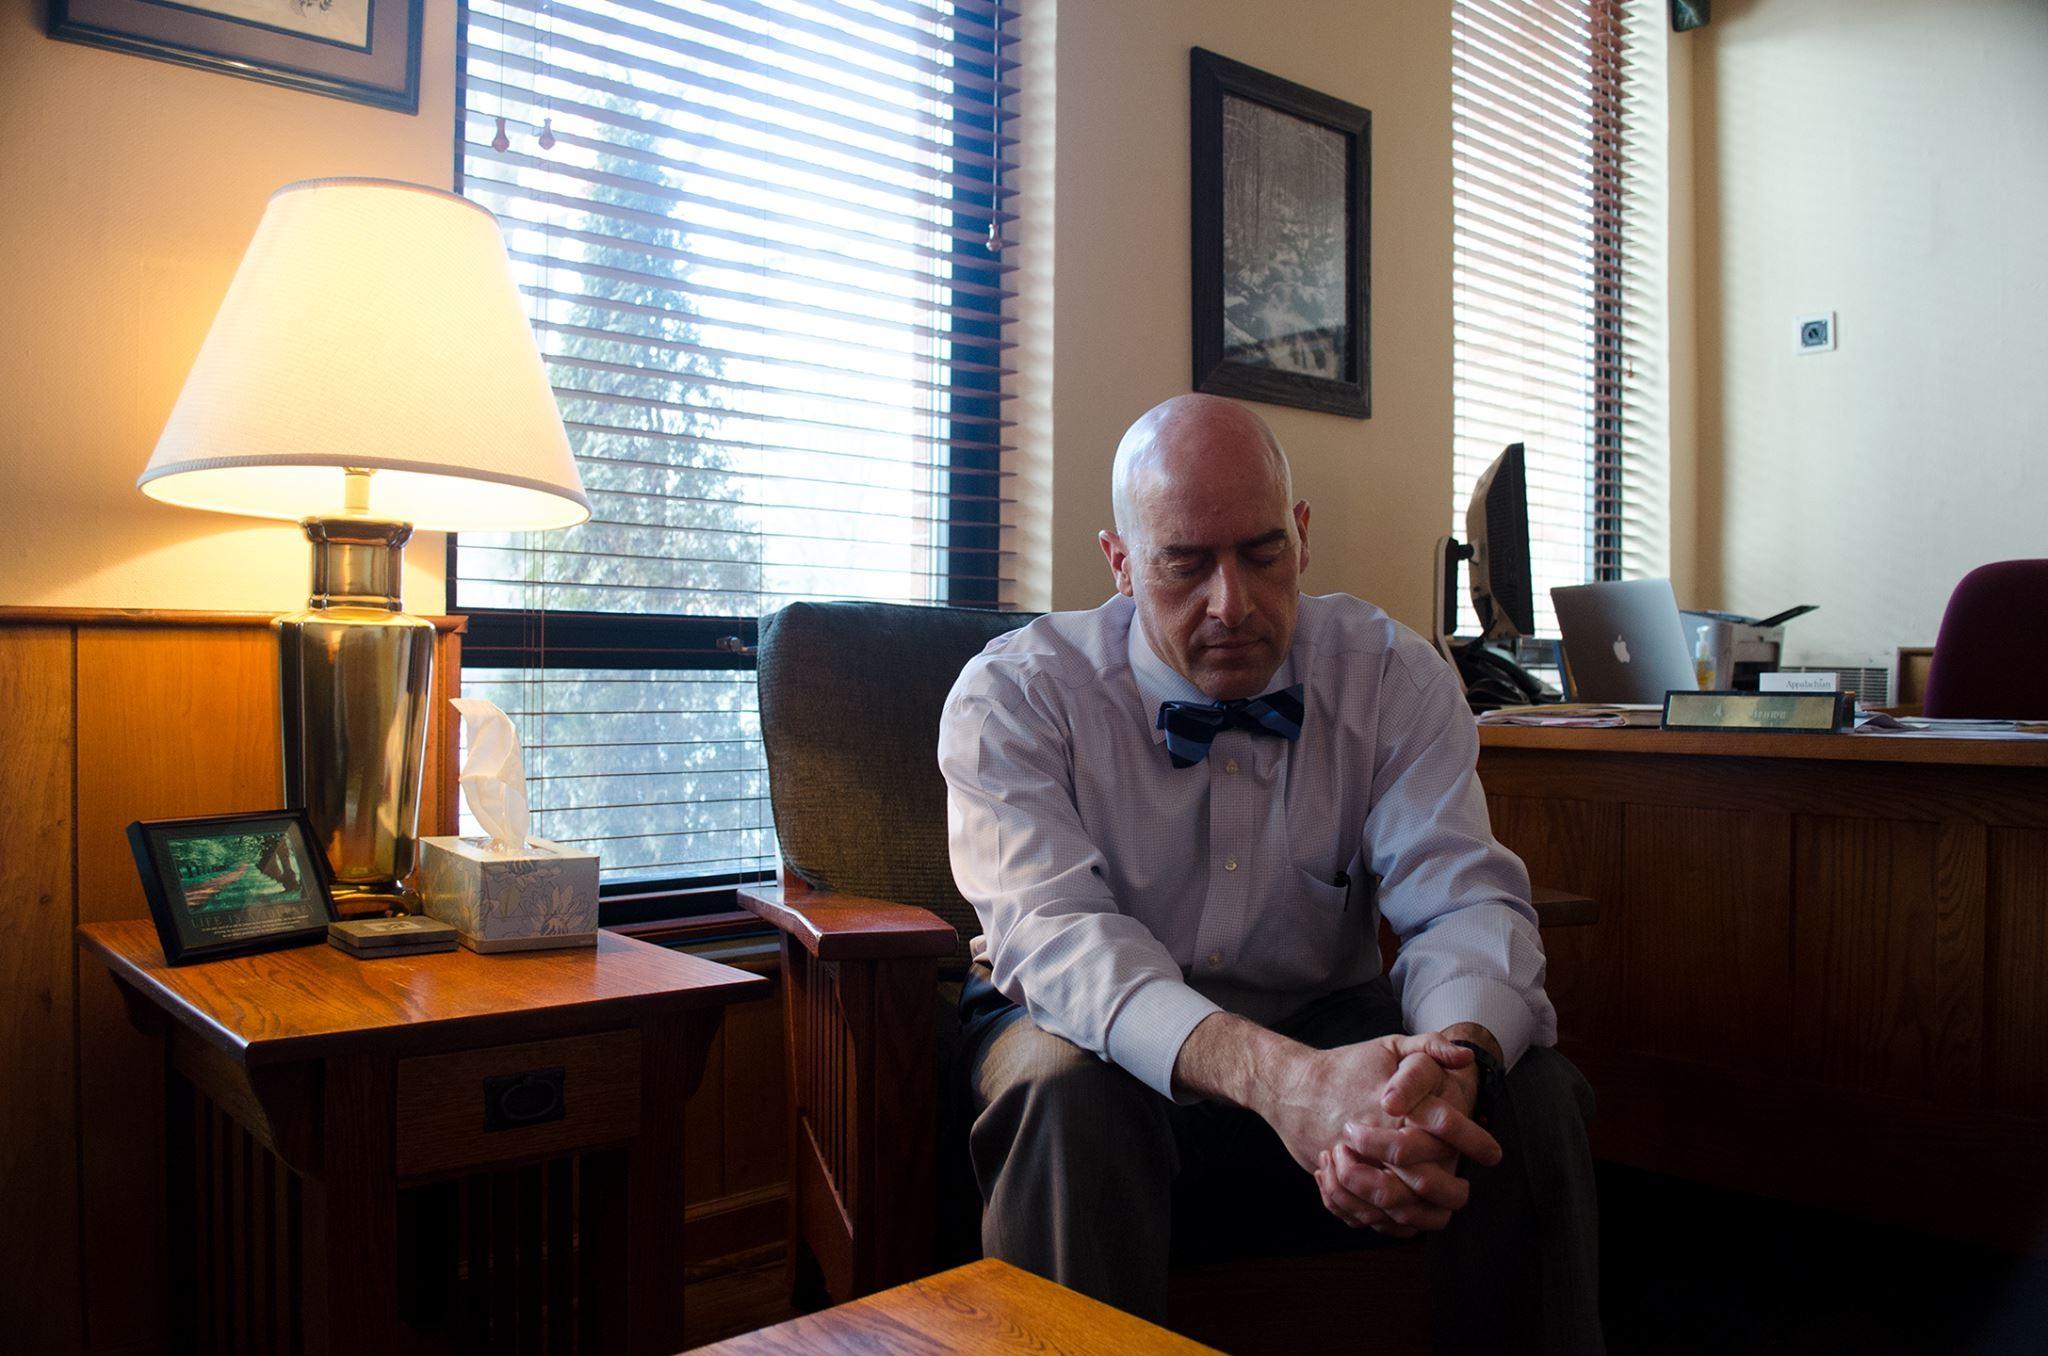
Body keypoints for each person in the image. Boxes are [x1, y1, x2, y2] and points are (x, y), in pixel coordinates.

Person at [937, 394, 1602, 1351]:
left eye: (1260, 553)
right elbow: (1058, 938)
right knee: (1061, 1093)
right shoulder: (1017, 695)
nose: (1233, 605)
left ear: (1301, 535)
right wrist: (1284, 1084)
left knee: (1528, 1092)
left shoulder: (1393, 676)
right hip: (1083, 1030)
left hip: (1327, 1017)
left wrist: (1447, 1073)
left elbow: (1462, 900)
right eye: (1184, 563)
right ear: (1121, 565)